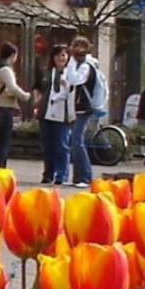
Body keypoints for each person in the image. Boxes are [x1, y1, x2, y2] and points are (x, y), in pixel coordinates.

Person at [64, 36, 108, 188]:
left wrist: (71, 61)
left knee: (77, 141)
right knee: (76, 141)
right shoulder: (82, 64)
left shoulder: (85, 66)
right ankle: (78, 177)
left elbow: (74, 79)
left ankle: (85, 176)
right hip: (79, 107)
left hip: (84, 107)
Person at [40, 44, 75, 185]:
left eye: (64, 55)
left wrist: (68, 85)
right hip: (46, 113)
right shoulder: (47, 73)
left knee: (61, 145)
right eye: (58, 55)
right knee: (47, 146)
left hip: (63, 114)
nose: (61, 58)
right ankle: (48, 173)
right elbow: (38, 87)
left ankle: (61, 174)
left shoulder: (71, 74)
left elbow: (74, 90)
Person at [0, 42, 26, 169]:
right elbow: (13, 88)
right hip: (5, 107)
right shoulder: (6, 70)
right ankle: (0, 167)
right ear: (13, 55)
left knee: (0, 140)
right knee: (4, 141)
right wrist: (25, 96)